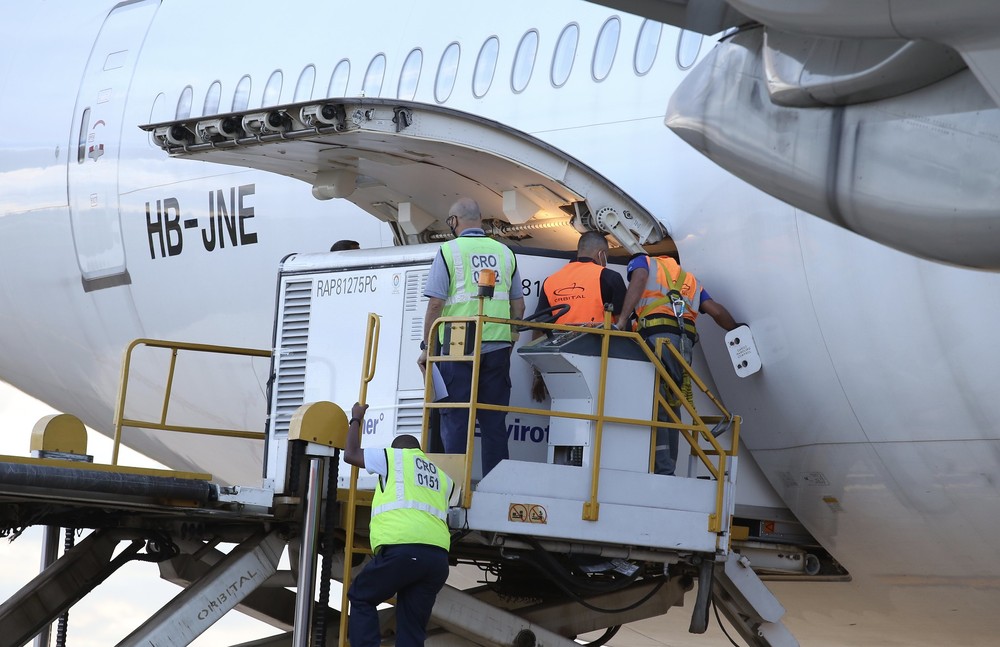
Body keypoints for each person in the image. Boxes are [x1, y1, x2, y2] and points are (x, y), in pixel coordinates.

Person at [417, 197, 525, 477]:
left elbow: (435, 305)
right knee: (494, 422)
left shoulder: (449, 251)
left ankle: (454, 486)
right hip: (498, 347)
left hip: (458, 345)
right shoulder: (505, 252)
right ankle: (495, 486)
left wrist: (427, 346)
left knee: (456, 417)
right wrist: (510, 339)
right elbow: (519, 306)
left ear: (454, 221)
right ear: (480, 220)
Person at [343, 402, 454, 647]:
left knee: (361, 596)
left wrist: (356, 419)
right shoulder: (442, 477)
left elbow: (350, 454)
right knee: (412, 628)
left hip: (403, 551)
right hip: (437, 561)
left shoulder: (392, 458)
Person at [617, 252, 738, 475]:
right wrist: (737, 329)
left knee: (656, 403)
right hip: (683, 346)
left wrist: (622, 320)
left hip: (656, 339)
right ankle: (668, 466)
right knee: (672, 402)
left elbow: (640, 277)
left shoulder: (643, 262)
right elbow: (716, 311)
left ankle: (663, 469)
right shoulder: (691, 281)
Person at [529, 231, 627, 401]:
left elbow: (539, 328)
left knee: (566, 407)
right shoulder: (610, 277)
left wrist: (538, 373)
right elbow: (622, 326)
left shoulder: (551, 281)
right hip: (600, 363)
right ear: (601, 254)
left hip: (560, 362)